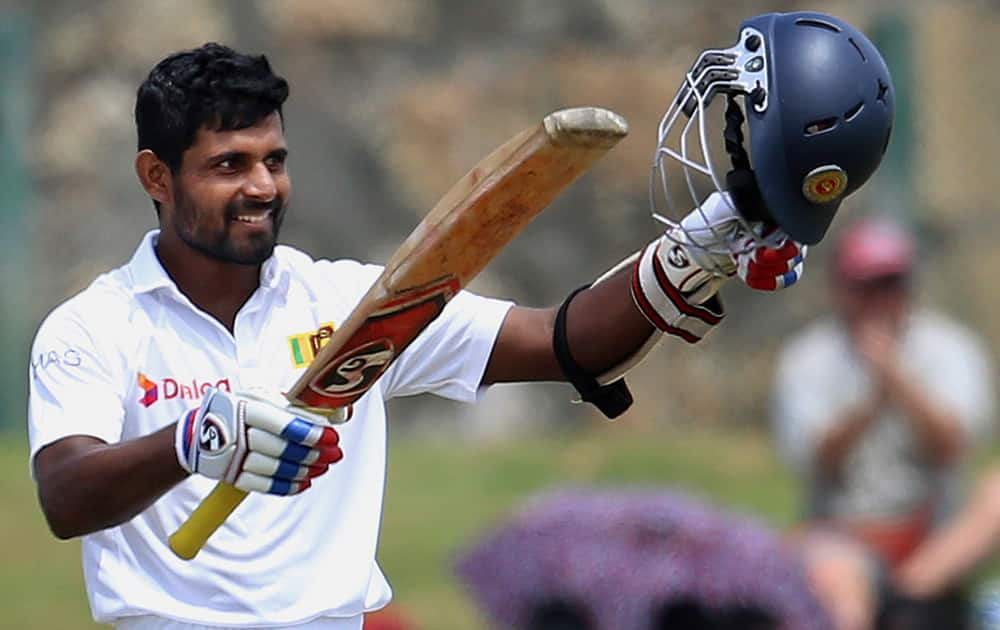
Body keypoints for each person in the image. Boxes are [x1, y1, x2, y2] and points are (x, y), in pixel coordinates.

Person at [27, 11, 894, 629]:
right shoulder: (93, 328)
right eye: (228, 165)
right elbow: (66, 497)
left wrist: (707, 238)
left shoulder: (357, 305)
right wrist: (189, 442)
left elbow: (565, 343)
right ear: (156, 174)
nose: (262, 186)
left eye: (274, 160)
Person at [771, 216, 996, 630]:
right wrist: (872, 399)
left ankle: (907, 592)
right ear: (840, 289)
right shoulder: (807, 358)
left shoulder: (950, 348)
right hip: (843, 537)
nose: (879, 300)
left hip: (931, 537)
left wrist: (898, 382)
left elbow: (953, 449)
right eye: (866, 286)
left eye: (890, 284)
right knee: (840, 587)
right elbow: (819, 462)